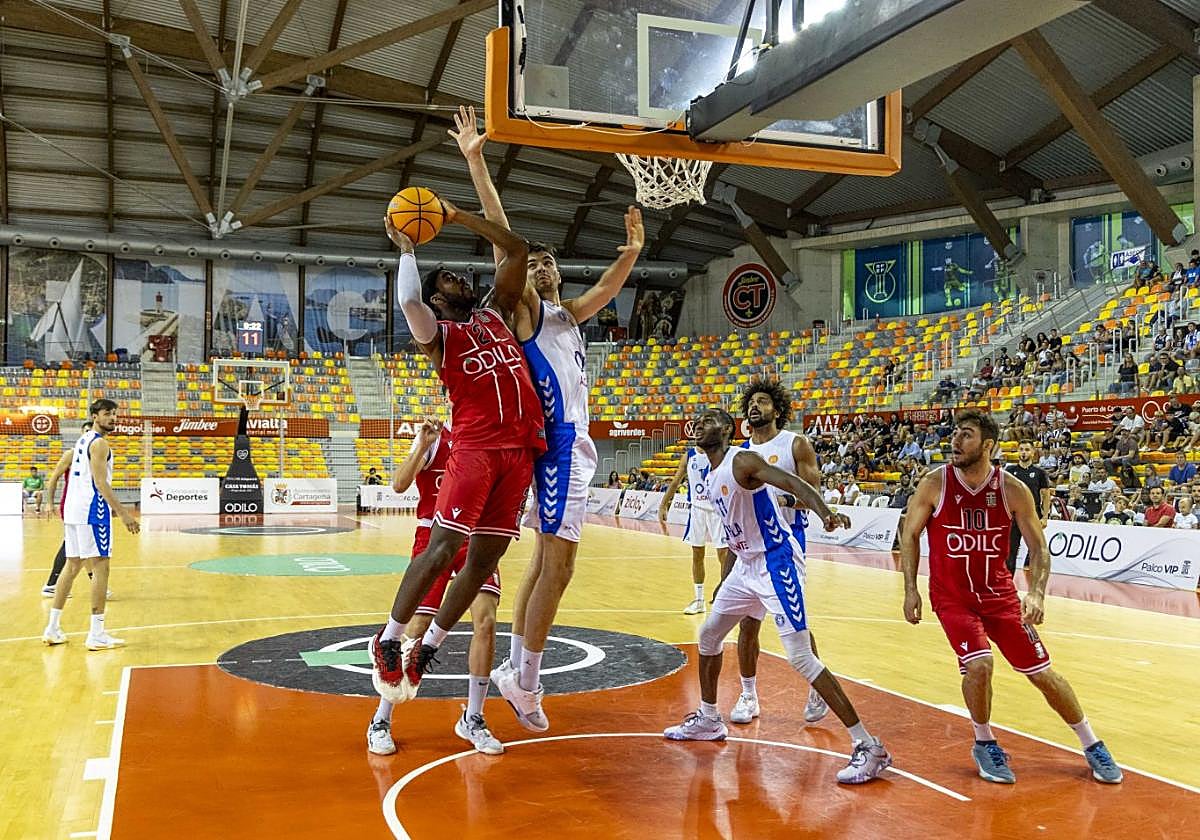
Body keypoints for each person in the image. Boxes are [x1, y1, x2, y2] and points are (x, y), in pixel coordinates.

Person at [451, 104, 645, 732]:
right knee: (558, 566)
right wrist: (477, 160)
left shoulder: (569, 315)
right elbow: (507, 234)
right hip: (557, 444)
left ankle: (516, 667)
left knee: (543, 564)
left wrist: (634, 250)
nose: (541, 267)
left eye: (548, 263)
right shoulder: (530, 312)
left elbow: (606, 292)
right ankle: (524, 678)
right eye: (533, 265)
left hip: (572, 445)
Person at [368, 196, 546, 706]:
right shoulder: (439, 336)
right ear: (437, 297)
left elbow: (517, 250)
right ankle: (389, 639)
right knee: (442, 548)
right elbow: (408, 304)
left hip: (519, 453)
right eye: (446, 277)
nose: (459, 279)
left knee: (484, 559)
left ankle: (429, 647)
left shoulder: (496, 315)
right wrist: (407, 249)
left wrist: (458, 216)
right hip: (476, 447)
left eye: (459, 275)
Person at [663, 408, 893, 785]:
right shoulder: (708, 469)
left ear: (728, 430)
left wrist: (825, 512)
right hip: (745, 565)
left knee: (800, 656)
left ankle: (869, 746)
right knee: (708, 636)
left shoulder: (743, 461)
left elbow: (793, 484)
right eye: (697, 420)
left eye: (709, 420)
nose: (700, 424)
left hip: (775, 562)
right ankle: (707, 718)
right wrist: (728, 575)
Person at [900, 410, 1122, 785]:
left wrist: (1036, 592)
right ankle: (985, 742)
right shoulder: (935, 483)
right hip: (953, 598)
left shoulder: (1012, 489)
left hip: (1000, 596)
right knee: (980, 664)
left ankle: (1091, 742)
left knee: (1044, 675)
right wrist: (910, 589)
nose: (955, 442)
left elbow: (1039, 549)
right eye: (955, 434)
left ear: (987, 445)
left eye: (966, 435)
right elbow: (909, 535)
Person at [367, 418, 504, 757]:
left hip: (474, 538)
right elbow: (399, 484)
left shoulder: (490, 439)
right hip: (434, 535)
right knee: (415, 629)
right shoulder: (438, 440)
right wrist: (422, 446)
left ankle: (474, 718)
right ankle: (380, 719)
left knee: (486, 621)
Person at [728, 378, 831, 725]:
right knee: (747, 624)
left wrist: (781, 498)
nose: (755, 407)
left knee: (796, 622)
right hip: (750, 546)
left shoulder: (795, 444)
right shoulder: (740, 453)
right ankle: (748, 695)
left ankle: (818, 686)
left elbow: (813, 498)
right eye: (751, 402)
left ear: (778, 409)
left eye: (762, 401)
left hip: (787, 542)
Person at [42, 399, 140, 650]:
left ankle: (52, 628)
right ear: (95, 416)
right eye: (108, 414)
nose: (113, 418)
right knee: (101, 567)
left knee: (72, 565)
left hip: (74, 510)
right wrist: (124, 513)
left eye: (115, 414)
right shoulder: (99, 443)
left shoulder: (82, 440)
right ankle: (96, 633)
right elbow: (100, 482)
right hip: (92, 511)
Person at [40, 422, 109, 598]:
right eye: (86, 431)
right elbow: (54, 478)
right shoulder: (72, 454)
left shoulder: (97, 451)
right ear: (81, 433)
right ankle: (53, 584)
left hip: (85, 504)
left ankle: (55, 584)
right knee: (77, 546)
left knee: (80, 546)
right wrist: (49, 502)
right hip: (73, 504)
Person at [660, 442, 729, 615]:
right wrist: (663, 504)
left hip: (718, 510)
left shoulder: (720, 452)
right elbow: (676, 481)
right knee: (697, 554)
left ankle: (725, 600)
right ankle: (699, 600)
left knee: (724, 555)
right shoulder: (689, 456)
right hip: (697, 509)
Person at [1004, 442, 1051, 574]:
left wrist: (1045, 516)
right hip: (1013, 515)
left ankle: (1035, 587)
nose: (1023, 452)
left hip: (1032, 514)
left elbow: (1046, 495)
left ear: (1033, 452)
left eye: (1026, 450)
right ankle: (1009, 584)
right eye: (1021, 449)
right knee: (1011, 550)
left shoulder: (1039, 472)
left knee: (1036, 549)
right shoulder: (1009, 471)